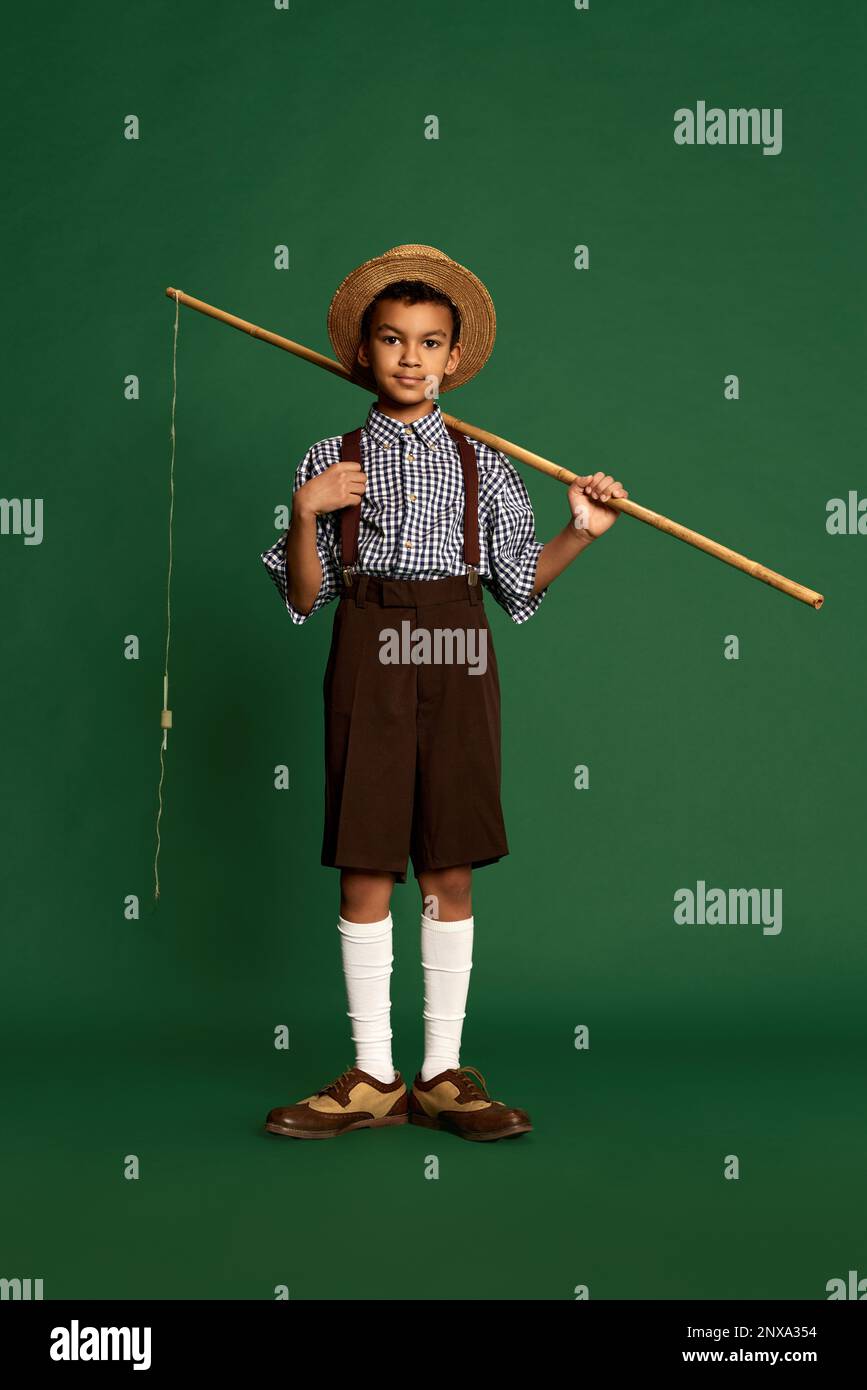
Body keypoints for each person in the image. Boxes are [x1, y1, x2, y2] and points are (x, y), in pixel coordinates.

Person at [259, 244, 628, 1141]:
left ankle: (442, 1074)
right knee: (366, 858)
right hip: (368, 640)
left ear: (453, 359)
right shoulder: (329, 456)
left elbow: (516, 584)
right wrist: (306, 511)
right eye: (392, 340)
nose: (410, 357)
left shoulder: (483, 462)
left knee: (449, 861)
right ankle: (373, 1074)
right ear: (365, 355)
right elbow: (305, 597)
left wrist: (579, 533)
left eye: (429, 342)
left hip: (459, 643)